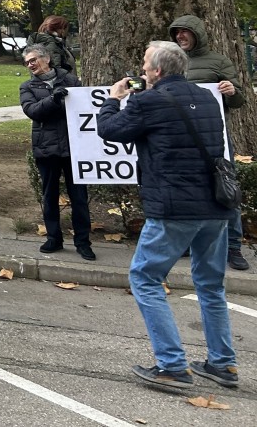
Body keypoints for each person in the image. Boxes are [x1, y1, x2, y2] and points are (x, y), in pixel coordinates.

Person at [97, 40, 238, 390]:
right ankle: (222, 363)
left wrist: (114, 99)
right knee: (210, 284)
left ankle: (173, 364)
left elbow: (109, 131)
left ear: (158, 71)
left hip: (174, 207)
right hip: (216, 207)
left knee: (145, 278)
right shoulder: (206, 98)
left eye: (145, 64)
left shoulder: (148, 101)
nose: (142, 69)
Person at [169, 14, 250, 271]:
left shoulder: (219, 62)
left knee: (226, 188)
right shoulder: (171, 61)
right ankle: (187, 242)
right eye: (176, 32)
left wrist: (231, 91)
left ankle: (233, 246)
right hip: (181, 138)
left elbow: (239, 101)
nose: (180, 36)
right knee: (185, 189)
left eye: (185, 32)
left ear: (197, 33)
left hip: (215, 136)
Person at [19, 44, 92, 260]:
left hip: (72, 147)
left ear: (47, 59)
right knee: (49, 195)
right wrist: (53, 99)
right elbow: (32, 111)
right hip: (47, 148)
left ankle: (83, 241)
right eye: (27, 62)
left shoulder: (70, 81)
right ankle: (53, 238)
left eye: (33, 60)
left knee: (79, 197)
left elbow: (85, 106)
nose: (30, 65)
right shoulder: (27, 86)